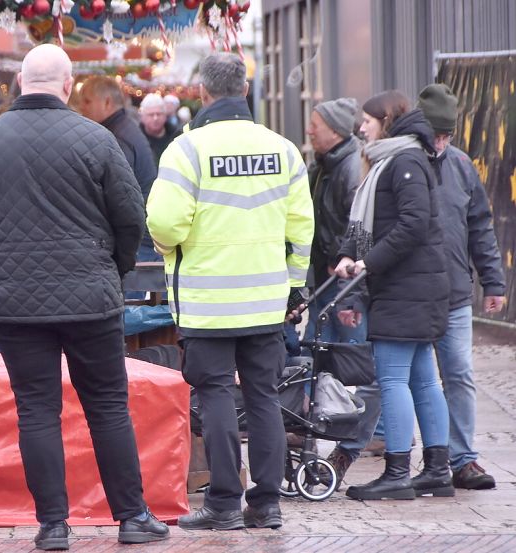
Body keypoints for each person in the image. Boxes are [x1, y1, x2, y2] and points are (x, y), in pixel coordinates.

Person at [0, 43, 169, 550]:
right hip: (91, 296)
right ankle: (132, 517)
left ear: (22, 83)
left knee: (36, 409)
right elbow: (130, 216)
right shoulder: (96, 139)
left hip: (13, 301)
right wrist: (111, 269)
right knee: (109, 406)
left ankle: (53, 526)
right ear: (68, 85)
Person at [147, 52, 314, 531]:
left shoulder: (187, 150)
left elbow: (163, 223)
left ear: (202, 92)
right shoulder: (283, 150)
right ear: (245, 90)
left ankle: (223, 503)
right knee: (263, 398)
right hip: (265, 300)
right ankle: (267, 504)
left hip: (207, 303)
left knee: (216, 395)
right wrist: (294, 284)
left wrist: (168, 245)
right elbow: (303, 228)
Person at [334, 90, 451, 501]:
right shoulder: (400, 158)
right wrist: (349, 254)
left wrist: (369, 263)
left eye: (368, 120)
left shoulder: (403, 161)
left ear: (387, 120)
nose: (361, 127)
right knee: (422, 380)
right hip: (414, 287)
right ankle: (437, 469)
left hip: (406, 288)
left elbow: (413, 223)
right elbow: (374, 222)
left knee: (393, 379)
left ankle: (398, 470)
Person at [417, 83, 506, 490]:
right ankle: (416, 454)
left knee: (459, 374)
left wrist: (493, 280)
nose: (440, 141)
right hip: (412, 295)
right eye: (435, 133)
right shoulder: (403, 163)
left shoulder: (461, 166)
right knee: (409, 379)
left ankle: (463, 458)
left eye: (446, 135)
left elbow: (480, 227)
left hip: (453, 292)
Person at [302, 98, 379, 486]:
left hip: (344, 293)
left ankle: (348, 449)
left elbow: (357, 235)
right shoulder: (323, 166)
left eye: (315, 124)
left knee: (357, 372)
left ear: (334, 129)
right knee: (318, 369)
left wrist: (350, 298)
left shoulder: (349, 169)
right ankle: (317, 452)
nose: (309, 129)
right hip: (326, 290)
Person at [78, 75, 159, 262]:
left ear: (107, 102)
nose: (81, 107)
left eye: (87, 101)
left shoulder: (117, 138)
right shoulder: (122, 129)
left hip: (137, 245)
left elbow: (119, 196)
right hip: (140, 240)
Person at [139, 93, 182, 165]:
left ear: (165, 115)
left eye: (159, 114)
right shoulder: (137, 139)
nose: (155, 118)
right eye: (151, 115)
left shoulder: (176, 136)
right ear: (142, 117)